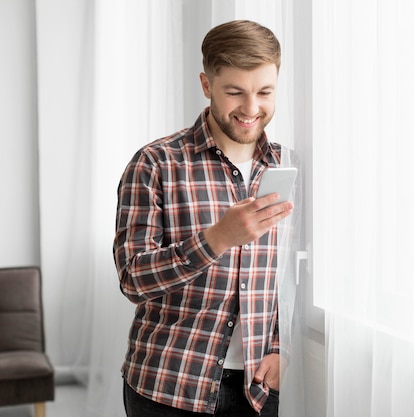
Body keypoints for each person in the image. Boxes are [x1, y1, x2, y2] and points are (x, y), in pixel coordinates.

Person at [113, 20, 297, 417]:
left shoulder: (287, 165)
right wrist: (216, 239)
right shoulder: (155, 164)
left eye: (264, 92)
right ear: (206, 84)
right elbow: (132, 279)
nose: (251, 109)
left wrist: (281, 347)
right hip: (168, 388)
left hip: (257, 389)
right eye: (235, 92)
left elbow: (289, 275)